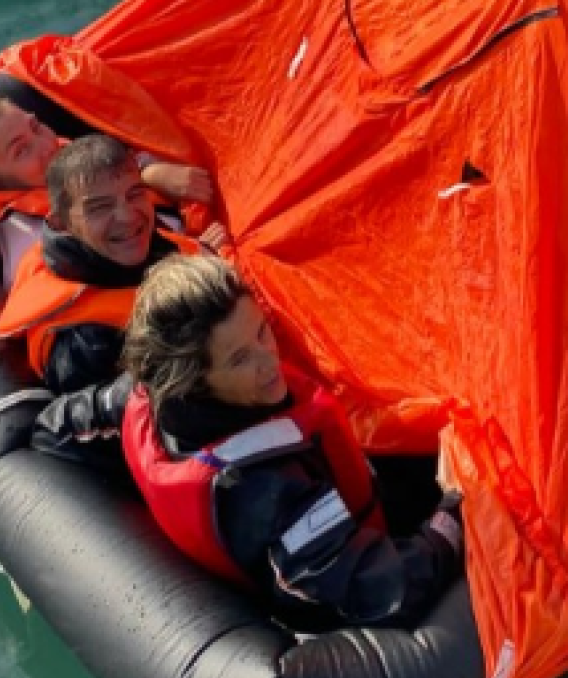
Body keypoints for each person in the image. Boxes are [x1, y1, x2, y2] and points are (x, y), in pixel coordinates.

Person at [121, 255, 465, 630]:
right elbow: (380, 588)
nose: (269, 360)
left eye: (261, 331)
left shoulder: (148, 402)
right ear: (194, 382)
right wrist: (454, 511)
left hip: (334, 516)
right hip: (341, 592)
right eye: (240, 359)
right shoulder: (263, 488)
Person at [0, 96, 221, 282]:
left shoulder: (64, 160)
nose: (45, 145)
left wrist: (149, 174)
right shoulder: (33, 243)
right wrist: (200, 254)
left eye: (35, 127)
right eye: (21, 150)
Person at [0, 136, 203, 395]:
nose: (127, 216)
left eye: (135, 194)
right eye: (99, 208)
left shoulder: (148, 243)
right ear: (62, 224)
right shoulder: (86, 346)